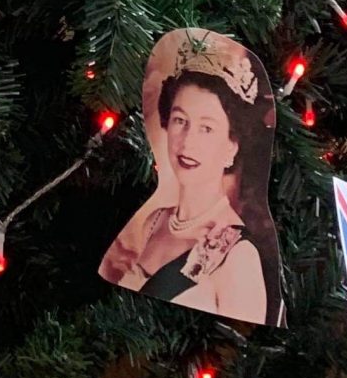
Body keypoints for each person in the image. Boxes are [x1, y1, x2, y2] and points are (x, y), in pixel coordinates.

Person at [99, 34, 282, 327]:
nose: (187, 142)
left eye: (207, 128)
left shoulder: (239, 256)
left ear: (232, 146)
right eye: (180, 120)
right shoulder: (153, 222)